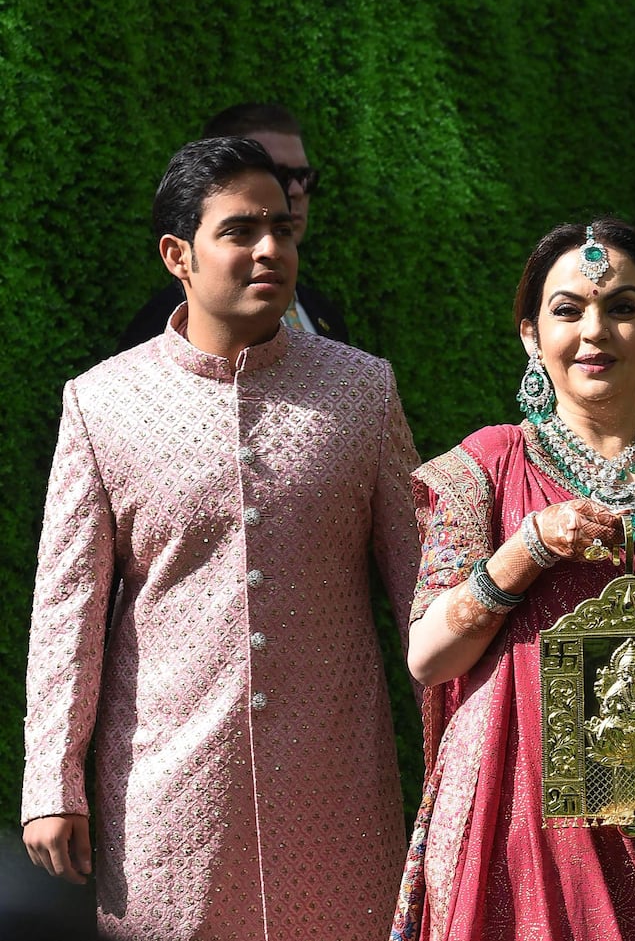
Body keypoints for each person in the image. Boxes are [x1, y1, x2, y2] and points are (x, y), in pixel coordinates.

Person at [22, 137, 421, 941]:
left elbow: (426, 594)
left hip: (337, 783)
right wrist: (51, 782)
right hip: (168, 795)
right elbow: (68, 609)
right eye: (241, 230)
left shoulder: (361, 388)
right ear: (179, 253)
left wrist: (470, 765)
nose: (271, 247)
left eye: (281, 226)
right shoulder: (104, 404)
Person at [391, 218, 635, 941]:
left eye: (623, 307)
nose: (595, 330)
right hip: (516, 830)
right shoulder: (484, 467)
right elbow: (428, 656)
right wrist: (530, 546)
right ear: (530, 336)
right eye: (568, 309)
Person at [117, 102, 348, 350]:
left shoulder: (324, 314)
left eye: (304, 177)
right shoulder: (155, 338)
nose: (296, 190)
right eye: (277, 174)